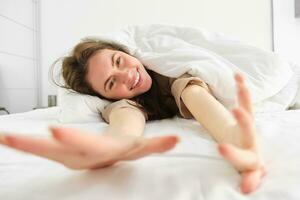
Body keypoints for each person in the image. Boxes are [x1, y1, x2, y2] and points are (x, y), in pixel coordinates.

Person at [0, 38, 266, 194]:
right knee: (125, 108)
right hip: (128, 107)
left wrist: (235, 137)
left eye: (118, 61)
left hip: (186, 87)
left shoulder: (170, 70)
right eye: (110, 84)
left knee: (189, 89)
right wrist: (113, 147)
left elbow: (198, 97)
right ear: (106, 96)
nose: (127, 75)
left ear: (125, 52)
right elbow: (125, 123)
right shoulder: (122, 104)